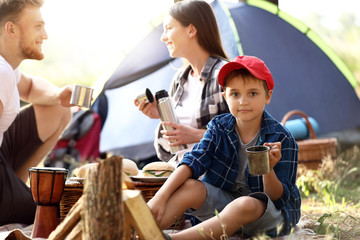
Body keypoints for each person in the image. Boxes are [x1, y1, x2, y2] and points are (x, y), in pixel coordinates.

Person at [148, 55, 301, 239]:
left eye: (252, 93)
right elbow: (193, 161)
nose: (243, 101)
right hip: (224, 206)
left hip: (266, 214)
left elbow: (278, 198)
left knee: (244, 204)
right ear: (225, 96)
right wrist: (160, 197)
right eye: (235, 94)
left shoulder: (282, 138)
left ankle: (172, 239)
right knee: (189, 186)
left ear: (267, 96)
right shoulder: (219, 127)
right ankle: (140, 230)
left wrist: (268, 169)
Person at [0, 0, 74, 225]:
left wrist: (59, 96)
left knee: (59, 109)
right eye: (38, 26)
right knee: (51, 219)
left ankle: (16, 191)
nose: (45, 35)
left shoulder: (8, 68)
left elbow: (30, 88)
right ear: (11, 29)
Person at [134, 0, 229, 165]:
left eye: (168, 28)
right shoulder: (180, 80)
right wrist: (161, 113)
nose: (163, 38)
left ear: (191, 30)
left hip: (211, 175)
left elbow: (244, 134)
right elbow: (175, 143)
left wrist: (197, 135)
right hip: (179, 168)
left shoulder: (224, 74)